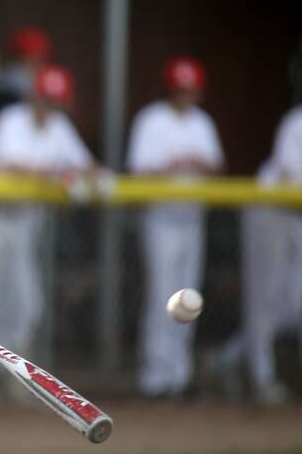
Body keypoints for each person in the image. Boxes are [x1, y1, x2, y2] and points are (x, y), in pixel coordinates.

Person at [0, 64, 98, 408]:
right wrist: (61, 174)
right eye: (45, 100)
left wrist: (81, 175)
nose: (49, 108)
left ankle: (14, 381)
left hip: (23, 221)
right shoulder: (11, 119)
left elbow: (86, 165)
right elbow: (12, 165)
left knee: (26, 303)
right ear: (33, 97)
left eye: (55, 102)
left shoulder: (59, 126)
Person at [126, 56, 225, 400]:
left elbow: (217, 170)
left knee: (189, 299)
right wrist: (175, 165)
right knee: (161, 297)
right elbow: (138, 172)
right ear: (170, 90)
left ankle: (179, 376)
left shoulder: (202, 122)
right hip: (161, 220)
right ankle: (155, 379)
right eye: (181, 90)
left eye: (192, 89)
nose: (187, 95)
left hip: (192, 219)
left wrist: (198, 164)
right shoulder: (151, 120)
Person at [210, 105, 302, 405]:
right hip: (270, 208)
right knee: (264, 297)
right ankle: (262, 377)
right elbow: (289, 172)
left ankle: (227, 359)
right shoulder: (296, 121)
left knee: (293, 302)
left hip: (294, 216)